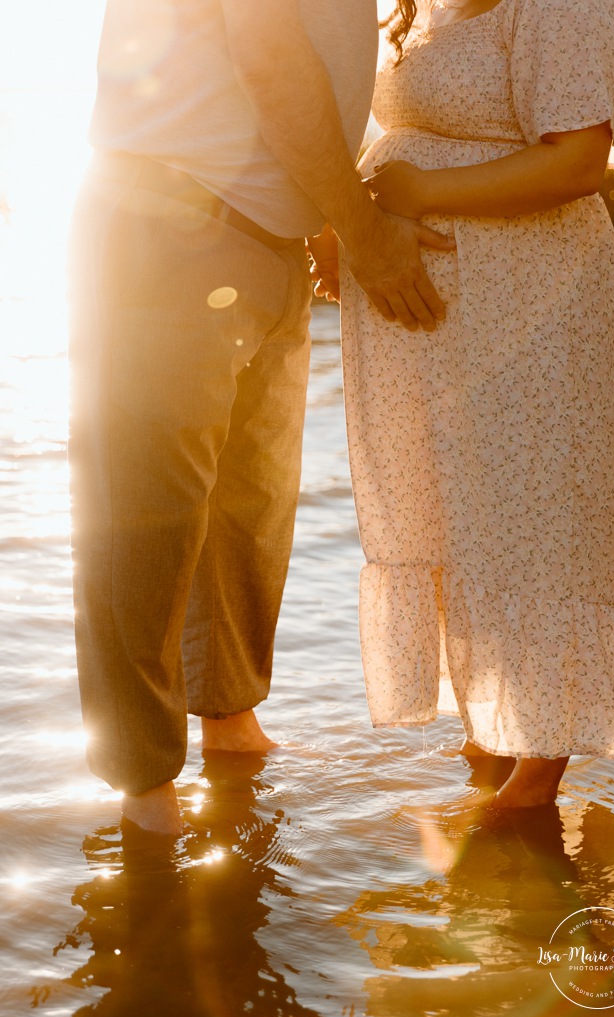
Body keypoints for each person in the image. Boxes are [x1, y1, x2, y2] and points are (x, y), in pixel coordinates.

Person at [68, 0, 455, 836]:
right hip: (172, 223)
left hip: (266, 236)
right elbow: (268, 50)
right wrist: (357, 226)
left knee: (250, 508)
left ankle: (230, 729)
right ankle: (144, 793)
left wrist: (314, 215)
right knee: (146, 513)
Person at [322, 0, 614, 806]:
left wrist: (417, 187)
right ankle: (493, 735)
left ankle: (536, 775)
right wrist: (356, 233)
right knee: (459, 523)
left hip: (534, 309)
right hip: (434, 326)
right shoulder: (426, 5)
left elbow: (575, 164)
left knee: (536, 531)